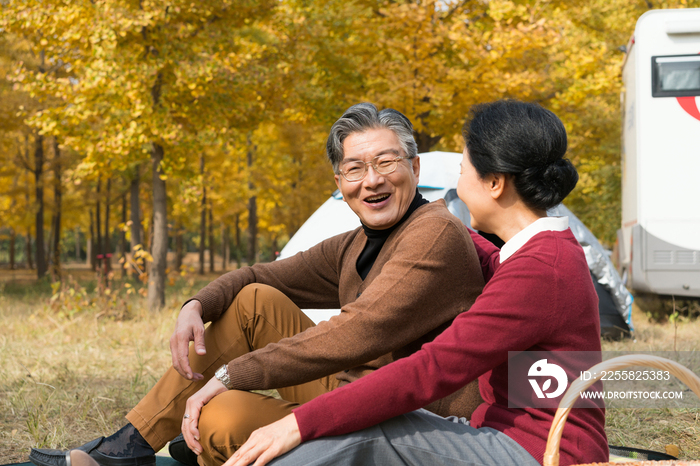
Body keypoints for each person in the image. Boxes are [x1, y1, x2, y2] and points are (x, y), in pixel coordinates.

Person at [29, 103, 485, 466]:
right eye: (355, 169)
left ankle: (200, 446)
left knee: (220, 418)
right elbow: (257, 276)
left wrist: (229, 377)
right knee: (253, 301)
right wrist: (195, 304)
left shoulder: (434, 234)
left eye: (387, 162)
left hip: (402, 416)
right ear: (339, 181)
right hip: (352, 390)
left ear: (416, 168)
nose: (372, 180)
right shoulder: (357, 243)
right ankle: (131, 445)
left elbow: (358, 331)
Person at [222, 99, 609, 466]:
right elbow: (492, 263)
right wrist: (423, 218)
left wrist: (297, 423)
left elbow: (430, 369)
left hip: (543, 454)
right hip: (509, 435)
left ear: (495, 183)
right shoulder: (541, 252)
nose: (458, 181)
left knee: (377, 429)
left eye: (463, 168)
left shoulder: (542, 271)